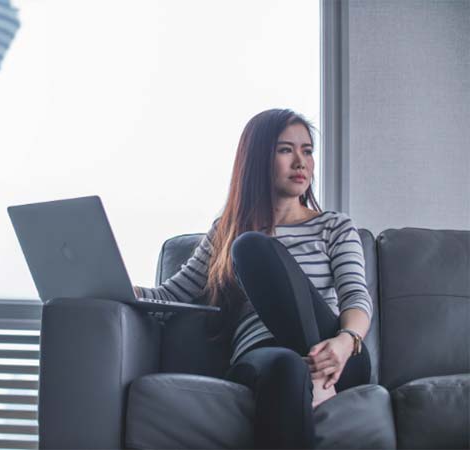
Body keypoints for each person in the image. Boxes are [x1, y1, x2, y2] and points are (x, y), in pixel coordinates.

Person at [133, 108, 372, 449]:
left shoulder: (334, 226)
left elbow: (356, 297)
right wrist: (116, 288)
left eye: (307, 150)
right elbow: (171, 298)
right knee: (287, 362)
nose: (301, 162)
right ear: (258, 158)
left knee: (251, 247)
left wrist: (345, 342)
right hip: (263, 356)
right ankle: (312, 382)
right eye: (286, 150)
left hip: (339, 356)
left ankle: (318, 375)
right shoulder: (226, 231)